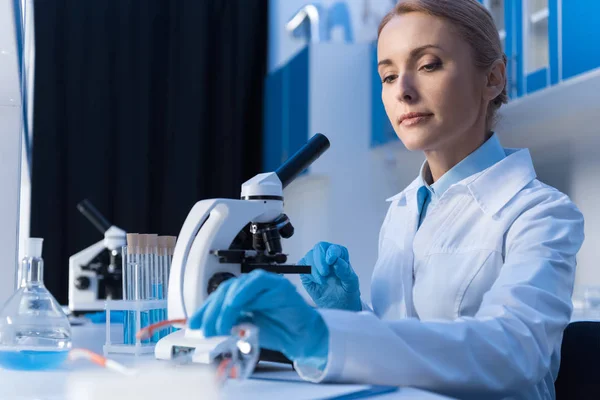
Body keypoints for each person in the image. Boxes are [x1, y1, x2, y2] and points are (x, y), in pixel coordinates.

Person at [188, 0, 585, 399]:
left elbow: (514, 352)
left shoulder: (541, 214)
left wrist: (325, 335)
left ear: (493, 78)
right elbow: (402, 351)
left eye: (428, 65)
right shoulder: (404, 209)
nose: (403, 92)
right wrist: (350, 313)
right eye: (388, 76)